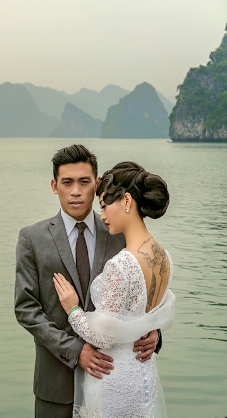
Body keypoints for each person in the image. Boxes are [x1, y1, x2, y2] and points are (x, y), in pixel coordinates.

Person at [14, 145, 161, 418]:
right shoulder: (31, 238)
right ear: (54, 186)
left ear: (96, 184)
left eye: (84, 182)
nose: (76, 191)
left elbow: (146, 294)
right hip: (56, 385)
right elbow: (26, 309)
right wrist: (75, 350)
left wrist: (154, 332)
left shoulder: (120, 234)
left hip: (113, 381)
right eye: (66, 182)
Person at [53, 161, 175, 417]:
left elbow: (103, 337)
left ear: (127, 201)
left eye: (105, 206)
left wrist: (72, 309)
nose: (103, 215)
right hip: (144, 373)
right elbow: (150, 315)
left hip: (115, 377)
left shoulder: (122, 265)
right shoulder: (164, 256)